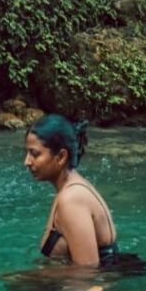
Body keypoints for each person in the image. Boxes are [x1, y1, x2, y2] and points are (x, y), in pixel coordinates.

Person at [24, 114, 121, 268]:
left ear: (61, 157)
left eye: (35, 154)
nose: (27, 162)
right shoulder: (70, 188)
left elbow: (87, 273)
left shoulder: (71, 200)